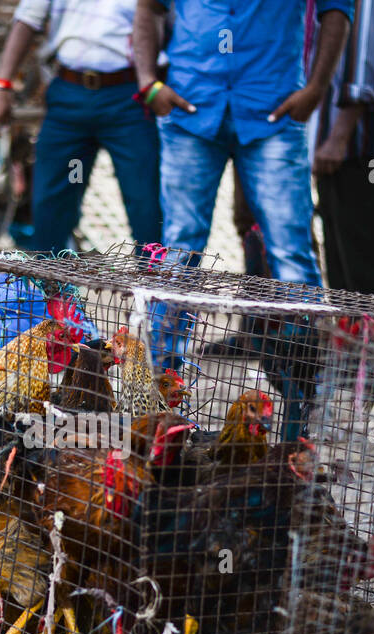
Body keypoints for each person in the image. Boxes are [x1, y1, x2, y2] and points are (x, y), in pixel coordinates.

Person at [132, 0, 351, 441]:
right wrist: (148, 84)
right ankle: (166, 409)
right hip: (191, 106)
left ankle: (301, 414)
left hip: (272, 108)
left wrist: (317, 88)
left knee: (291, 255)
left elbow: (337, 8)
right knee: (179, 253)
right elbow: (149, 8)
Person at [0, 0, 161, 255]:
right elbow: (27, 19)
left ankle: (153, 291)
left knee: (146, 203)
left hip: (130, 95)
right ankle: (53, 291)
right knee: (51, 205)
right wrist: (2, 85)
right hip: (68, 93)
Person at [313, 0, 374, 299]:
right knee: (347, 261)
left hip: (356, 149)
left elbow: (364, 60)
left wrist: (337, 137)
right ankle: (356, 341)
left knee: (364, 263)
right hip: (348, 148)